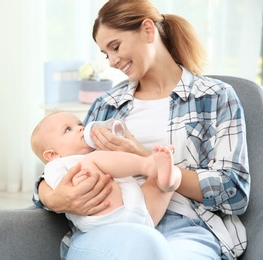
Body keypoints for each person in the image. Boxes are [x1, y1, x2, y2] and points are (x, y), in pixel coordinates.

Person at [33, 0, 250, 259]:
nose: (112, 61)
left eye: (115, 47)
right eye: (106, 54)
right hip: (108, 228)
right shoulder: (107, 105)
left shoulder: (215, 97)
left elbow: (234, 192)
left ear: (148, 30)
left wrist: (147, 159)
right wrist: (53, 198)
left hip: (186, 226)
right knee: (134, 246)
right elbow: (64, 162)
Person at [31, 111, 181, 232]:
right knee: (91, 160)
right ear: (52, 154)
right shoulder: (56, 165)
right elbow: (62, 190)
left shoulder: (100, 153)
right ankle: (146, 164)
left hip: (144, 213)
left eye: (80, 124)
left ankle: (167, 182)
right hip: (104, 215)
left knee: (173, 173)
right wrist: (75, 183)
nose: (80, 128)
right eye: (68, 129)